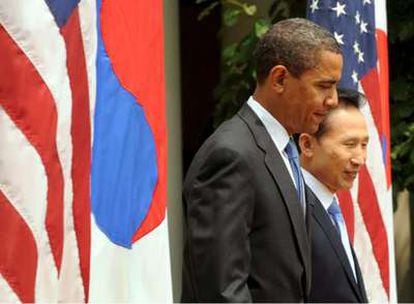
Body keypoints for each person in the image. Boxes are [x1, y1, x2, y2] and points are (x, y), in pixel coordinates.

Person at [181, 18, 343, 302]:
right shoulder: (231, 155)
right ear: (280, 79)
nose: (333, 100)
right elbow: (222, 292)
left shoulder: (284, 151)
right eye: (324, 86)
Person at [298, 88, 369, 302]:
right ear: (307, 144)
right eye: (349, 145)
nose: (360, 159)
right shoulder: (291, 207)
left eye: (364, 145)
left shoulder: (330, 208)